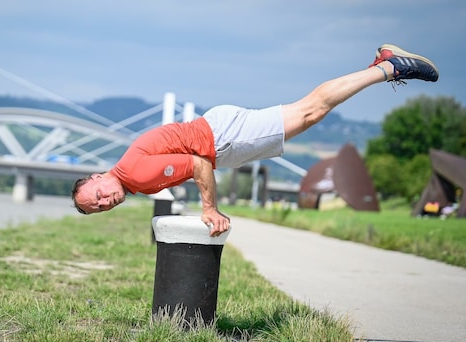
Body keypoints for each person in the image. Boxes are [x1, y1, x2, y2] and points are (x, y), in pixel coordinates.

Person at [71, 44, 439, 237]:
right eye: (100, 209)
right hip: (221, 137)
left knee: (311, 110)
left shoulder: (134, 170)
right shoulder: (133, 177)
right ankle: (382, 68)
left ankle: (389, 67)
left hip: (222, 138)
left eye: (97, 196)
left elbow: (198, 163)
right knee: (313, 113)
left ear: (98, 177)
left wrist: (209, 209)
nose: (106, 203)